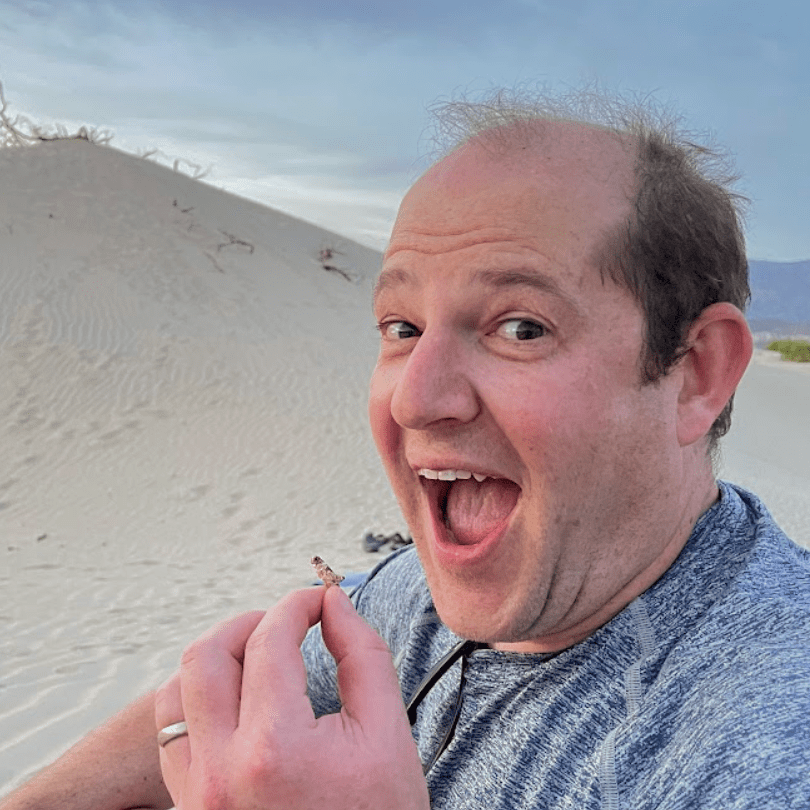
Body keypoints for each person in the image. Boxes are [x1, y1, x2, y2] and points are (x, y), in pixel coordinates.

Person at [3, 88, 809, 810]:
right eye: (402, 327)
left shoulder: (763, 741)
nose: (415, 398)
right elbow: (227, 706)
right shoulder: (415, 594)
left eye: (520, 327)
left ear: (697, 373)